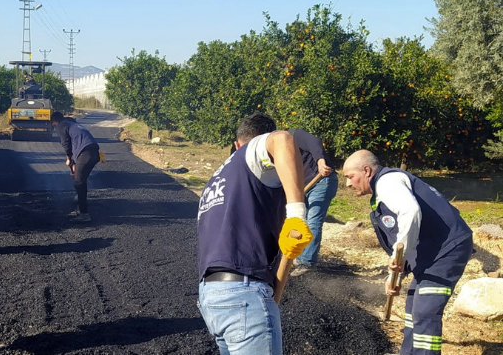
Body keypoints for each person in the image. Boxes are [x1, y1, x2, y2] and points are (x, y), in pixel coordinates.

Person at [197, 113, 313, 354]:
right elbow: (282, 140)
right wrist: (296, 214)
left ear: (235, 142)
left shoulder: (216, 180)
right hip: (243, 293)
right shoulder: (251, 153)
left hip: (211, 296)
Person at [343, 150, 473, 355]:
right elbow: (403, 237)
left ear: (366, 170)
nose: (348, 184)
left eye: (350, 177)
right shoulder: (382, 191)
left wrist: (398, 257)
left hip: (447, 248)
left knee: (425, 311)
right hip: (431, 251)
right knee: (413, 307)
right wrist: (395, 276)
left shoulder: (388, 182)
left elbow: (410, 213)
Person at [289, 128, 338, 274]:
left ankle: (307, 262)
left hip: (321, 180)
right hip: (303, 187)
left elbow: (313, 141)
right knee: (298, 220)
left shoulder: (292, 135)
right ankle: (297, 255)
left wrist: (320, 161)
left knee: (313, 221)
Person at [50, 111, 99, 223]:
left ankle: (84, 214)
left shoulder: (60, 126)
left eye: (52, 124)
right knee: (80, 179)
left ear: (54, 122)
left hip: (85, 153)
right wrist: (73, 164)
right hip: (94, 151)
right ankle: (79, 202)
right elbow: (75, 144)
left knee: (79, 182)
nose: (53, 126)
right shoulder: (72, 124)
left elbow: (66, 144)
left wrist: (68, 158)